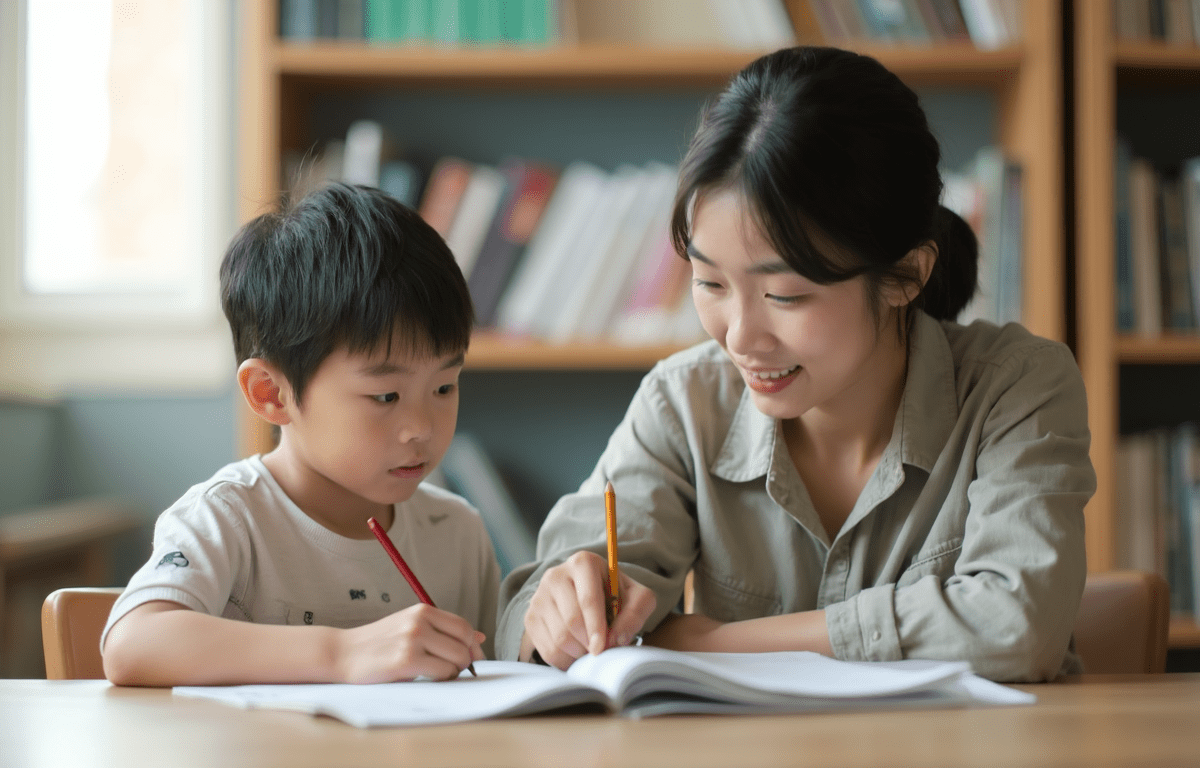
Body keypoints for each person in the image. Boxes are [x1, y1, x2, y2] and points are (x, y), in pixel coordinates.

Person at [496, 46, 1095, 682]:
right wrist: (558, 612)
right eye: (710, 283)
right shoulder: (684, 403)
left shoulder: (1016, 386)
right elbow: (523, 621)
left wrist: (710, 645)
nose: (741, 338)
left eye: (785, 295)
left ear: (906, 275)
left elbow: (1015, 627)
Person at [102, 183, 500, 686]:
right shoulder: (230, 518)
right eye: (386, 396)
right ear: (271, 393)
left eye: (444, 387)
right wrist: (341, 652)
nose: (422, 428)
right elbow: (133, 644)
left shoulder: (457, 533)